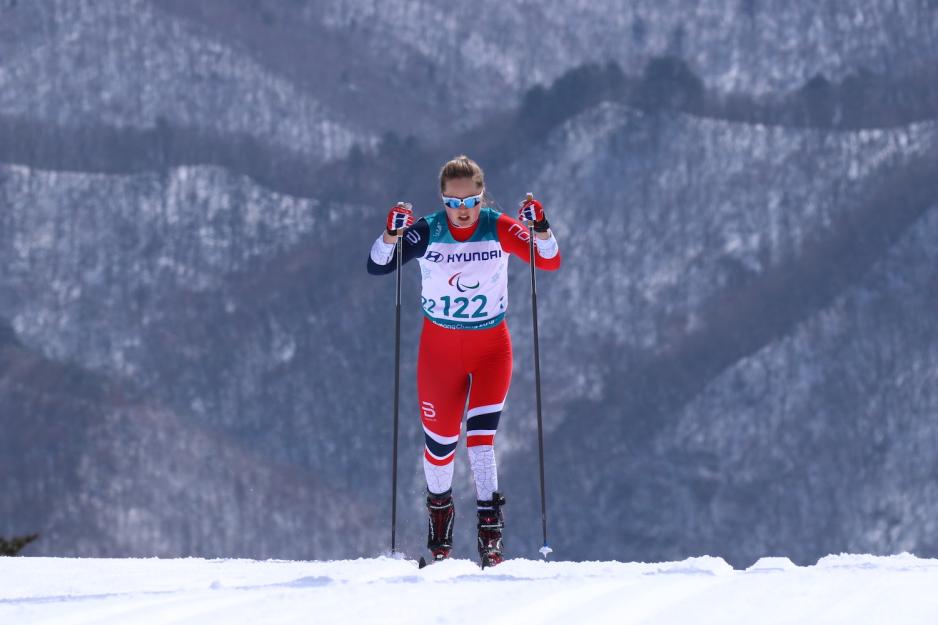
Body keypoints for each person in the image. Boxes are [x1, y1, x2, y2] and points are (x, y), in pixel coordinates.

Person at [367, 155, 561, 567]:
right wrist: (390, 234)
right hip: (439, 354)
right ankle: (440, 542)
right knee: (440, 448)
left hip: (491, 350)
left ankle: (491, 542)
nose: (461, 212)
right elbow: (378, 265)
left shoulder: (497, 226)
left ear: (480, 196)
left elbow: (548, 259)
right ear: (442, 200)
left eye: (469, 202)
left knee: (480, 441)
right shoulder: (430, 231)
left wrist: (539, 226)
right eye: (452, 203)